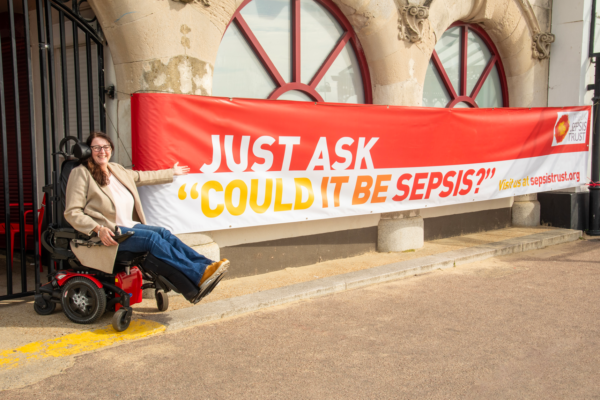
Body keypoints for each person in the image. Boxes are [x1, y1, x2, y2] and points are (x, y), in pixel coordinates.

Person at [64, 131, 228, 295]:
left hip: (128, 227)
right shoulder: (81, 173)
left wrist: (171, 172)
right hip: (109, 234)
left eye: (106, 147)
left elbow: (141, 177)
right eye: (96, 148)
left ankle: (207, 266)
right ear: (88, 151)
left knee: (163, 232)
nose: (102, 151)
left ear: (111, 149)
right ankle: (198, 274)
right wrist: (97, 229)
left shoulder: (115, 169)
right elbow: (72, 212)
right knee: (152, 238)